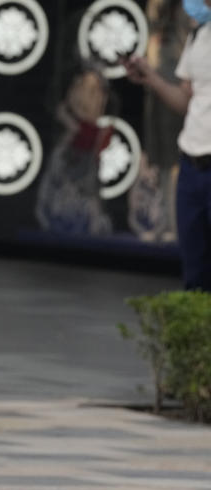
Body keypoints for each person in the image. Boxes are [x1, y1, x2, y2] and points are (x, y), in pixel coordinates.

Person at [124, 0, 211, 289]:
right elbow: (187, 98)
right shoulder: (200, 33)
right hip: (192, 163)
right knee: (195, 271)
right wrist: (151, 78)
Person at [34, 66, 114, 236]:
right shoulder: (70, 126)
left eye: (94, 92)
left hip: (84, 185)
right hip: (63, 183)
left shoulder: (97, 131)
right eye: (82, 88)